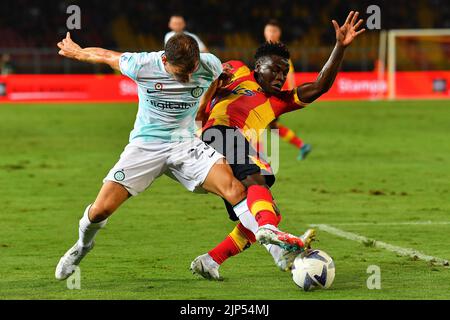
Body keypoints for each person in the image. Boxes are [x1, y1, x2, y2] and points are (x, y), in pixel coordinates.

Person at [54, 32, 313, 281]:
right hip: (146, 146)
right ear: (165, 61)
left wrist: (207, 102)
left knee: (236, 190)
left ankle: (278, 251)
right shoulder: (142, 64)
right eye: (182, 72)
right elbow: (105, 55)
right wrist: (77, 53)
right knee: (100, 211)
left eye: (192, 69)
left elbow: (215, 76)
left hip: (186, 144)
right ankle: (82, 245)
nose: (189, 76)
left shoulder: (208, 64)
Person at [190, 11, 365, 280]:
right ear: (258, 66)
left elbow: (320, 85)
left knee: (263, 211)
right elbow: (204, 76)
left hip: (231, 144)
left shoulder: (279, 101)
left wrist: (339, 47)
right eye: (275, 69)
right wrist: (214, 82)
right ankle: (276, 242)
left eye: (285, 72)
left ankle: (211, 260)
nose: (281, 77)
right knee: (257, 182)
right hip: (218, 132)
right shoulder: (236, 68)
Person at [264, 19, 312, 160]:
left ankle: (255, 158)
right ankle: (302, 145)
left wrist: (292, 92)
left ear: (279, 33)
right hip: (267, 93)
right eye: (268, 30)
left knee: (259, 123)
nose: (270, 34)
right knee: (271, 125)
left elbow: (290, 71)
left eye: (273, 31)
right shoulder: (266, 49)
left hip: (274, 93)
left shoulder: (280, 51)